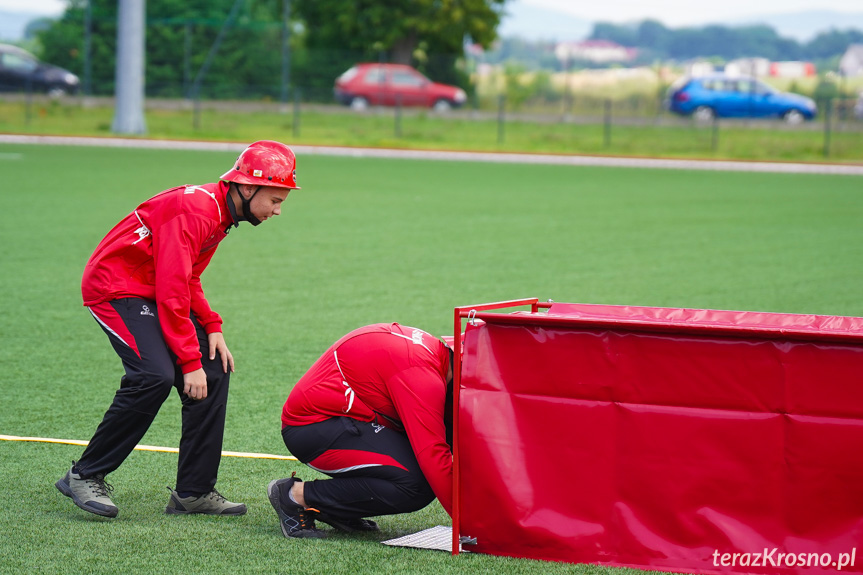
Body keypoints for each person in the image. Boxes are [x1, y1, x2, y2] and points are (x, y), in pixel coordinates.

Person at [55, 140, 301, 518]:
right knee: (154, 375)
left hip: (151, 289)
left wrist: (211, 326)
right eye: (275, 199)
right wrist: (189, 361)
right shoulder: (197, 211)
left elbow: (187, 278)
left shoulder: (221, 213)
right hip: (115, 288)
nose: (278, 210)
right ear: (247, 187)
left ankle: (194, 492)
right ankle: (85, 475)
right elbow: (171, 288)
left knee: (215, 369)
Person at [268, 322, 454, 538]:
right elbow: (433, 454)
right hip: (312, 428)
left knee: (430, 453)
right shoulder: (421, 374)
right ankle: (295, 496)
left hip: (342, 417)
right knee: (416, 484)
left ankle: (336, 508)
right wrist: (472, 525)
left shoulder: (433, 354)